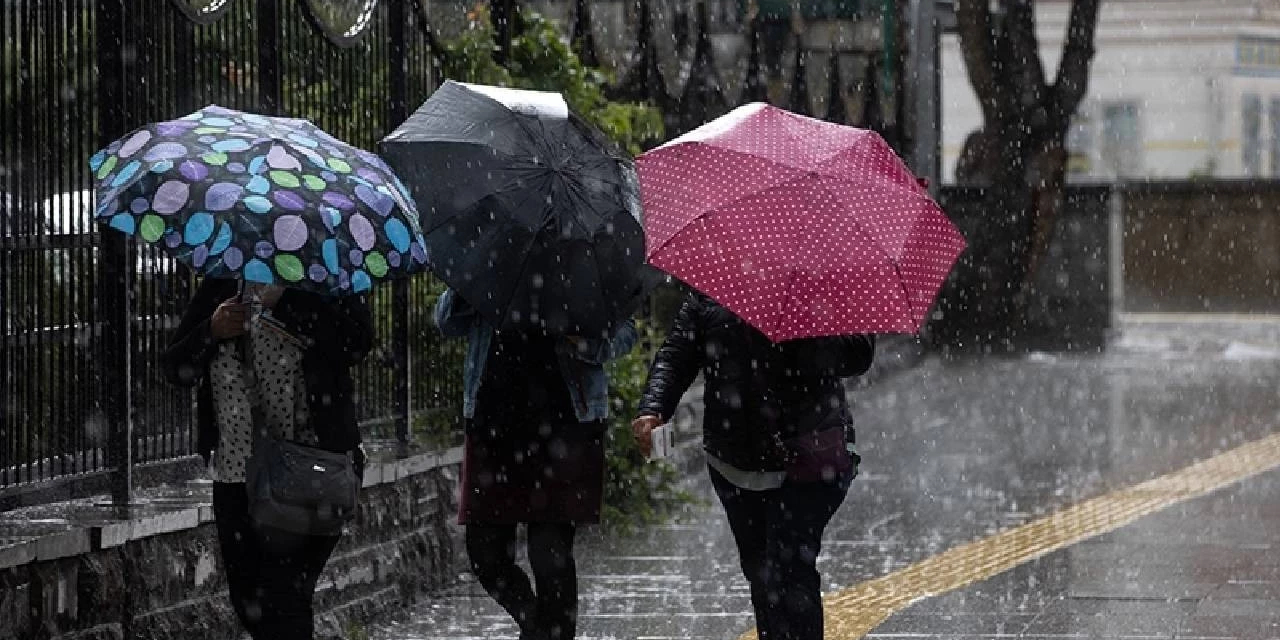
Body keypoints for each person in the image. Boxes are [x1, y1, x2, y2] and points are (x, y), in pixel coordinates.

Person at [631, 291, 874, 640]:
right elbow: (676, 355)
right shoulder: (712, 288)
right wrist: (652, 408)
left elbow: (860, 352)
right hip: (735, 459)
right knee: (760, 571)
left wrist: (802, 333)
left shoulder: (825, 280)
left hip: (810, 454)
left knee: (792, 567)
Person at [162, 278, 373, 640]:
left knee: (285, 596)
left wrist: (287, 303)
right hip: (236, 474)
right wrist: (211, 330)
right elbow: (175, 367)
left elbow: (357, 344)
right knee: (250, 603)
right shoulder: (224, 283)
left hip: (311, 470)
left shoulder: (327, 278)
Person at [434, 288, 637, 640]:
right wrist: (465, 287)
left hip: (565, 426)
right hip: (493, 425)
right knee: (485, 555)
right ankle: (538, 629)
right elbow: (447, 322)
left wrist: (585, 342)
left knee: (550, 557)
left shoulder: (580, 254)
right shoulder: (495, 253)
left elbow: (625, 332)